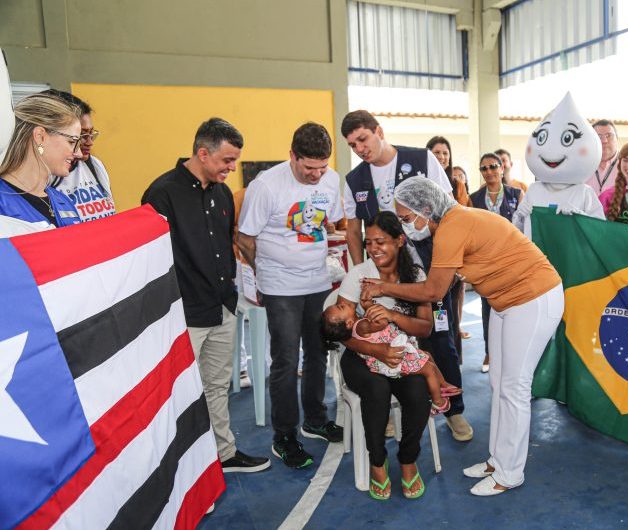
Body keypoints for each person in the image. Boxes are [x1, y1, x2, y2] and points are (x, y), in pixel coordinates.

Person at [361, 176, 564, 497]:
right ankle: (498, 460)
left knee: (514, 387)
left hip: (533, 297)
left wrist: (383, 287)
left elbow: (433, 290)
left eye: (405, 218)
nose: (404, 226)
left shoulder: (454, 226)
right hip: (505, 301)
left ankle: (510, 473)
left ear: (425, 209)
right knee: (500, 382)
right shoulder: (454, 223)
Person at [142, 117, 270, 473]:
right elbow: (154, 259)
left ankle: (223, 454)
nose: (232, 168)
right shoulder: (161, 193)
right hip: (185, 315)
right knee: (179, 393)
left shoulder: (223, 192)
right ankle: (183, 468)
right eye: (227, 161)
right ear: (202, 152)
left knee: (216, 386)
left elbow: (229, 245)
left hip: (222, 308)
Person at [341, 110, 472, 442]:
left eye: (363, 139)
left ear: (379, 131)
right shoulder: (354, 180)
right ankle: (386, 410)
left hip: (429, 270)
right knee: (384, 337)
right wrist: (361, 273)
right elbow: (354, 233)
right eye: (352, 144)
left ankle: (454, 410)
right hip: (384, 275)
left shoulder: (421, 158)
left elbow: (448, 211)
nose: (359, 148)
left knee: (439, 338)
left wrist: (448, 262)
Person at [237, 122, 344, 469]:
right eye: (308, 168)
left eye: (321, 167)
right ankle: (284, 435)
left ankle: (314, 419)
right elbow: (245, 238)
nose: (316, 175)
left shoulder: (331, 180)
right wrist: (265, 271)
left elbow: (331, 223)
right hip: (280, 287)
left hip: (317, 282)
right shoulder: (266, 185)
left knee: (317, 353)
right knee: (285, 360)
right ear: (292, 157)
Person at [336, 211, 437, 500]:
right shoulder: (358, 275)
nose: (374, 248)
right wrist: (376, 348)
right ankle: (377, 462)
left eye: (381, 241)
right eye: (369, 243)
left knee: (419, 391)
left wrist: (392, 315)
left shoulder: (416, 275)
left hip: (401, 354)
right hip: (362, 354)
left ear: (400, 241)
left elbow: (426, 328)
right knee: (377, 389)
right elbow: (342, 332)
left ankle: (407, 460)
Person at [321, 298, 461, 415]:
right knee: (428, 369)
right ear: (349, 323)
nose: (343, 303)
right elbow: (382, 323)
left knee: (428, 355)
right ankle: (438, 402)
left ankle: (442, 383)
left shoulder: (358, 325)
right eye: (340, 307)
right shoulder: (361, 325)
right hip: (396, 359)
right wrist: (370, 306)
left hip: (397, 352)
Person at [512, 92, 605, 238]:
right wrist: (520, 217)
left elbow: (599, 230)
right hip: (538, 256)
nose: (552, 152)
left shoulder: (584, 192)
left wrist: (580, 217)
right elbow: (517, 232)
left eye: (567, 139)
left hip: (571, 255)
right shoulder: (534, 190)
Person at [470, 153, 522, 374]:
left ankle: (513, 355)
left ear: (502, 168)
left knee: (514, 307)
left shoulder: (517, 194)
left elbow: (522, 227)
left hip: (511, 260)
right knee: (487, 308)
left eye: (493, 166)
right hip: (485, 263)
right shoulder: (474, 198)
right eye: (484, 168)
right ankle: (489, 352)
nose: (489, 171)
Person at [0, 93, 82, 229]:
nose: (78, 153)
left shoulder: (63, 201)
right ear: (40, 137)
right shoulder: (3, 202)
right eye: (72, 141)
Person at [44, 90, 116, 222]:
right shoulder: (44, 174)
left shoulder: (95, 165)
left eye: (91, 133)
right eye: (81, 136)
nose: (90, 142)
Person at [427, 136, 470, 348]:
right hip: (425, 251)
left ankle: (454, 359)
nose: (442, 157)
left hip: (452, 251)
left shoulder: (456, 185)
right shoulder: (422, 183)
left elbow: (461, 215)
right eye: (437, 153)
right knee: (428, 308)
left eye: (445, 152)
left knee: (450, 306)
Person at [586, 119, 620, 196]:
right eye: (599, 136)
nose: (604, 141)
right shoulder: (583, 166)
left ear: (617, 139)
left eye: (609, 135)